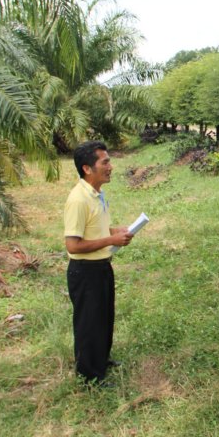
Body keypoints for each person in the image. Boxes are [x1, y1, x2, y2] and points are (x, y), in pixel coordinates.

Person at [64, 141, 134, 386]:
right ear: (87, 168)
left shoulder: (97, 194)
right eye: (105, 162)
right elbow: (73, 245)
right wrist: (111, 240)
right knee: (89, 323)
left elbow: (94, 229)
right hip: (85, 271)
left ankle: (101, 360)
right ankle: (89, 376)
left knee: (103, 317)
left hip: (102, 267)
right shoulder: (78, 200)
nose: (110, 167)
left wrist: (115, 231)